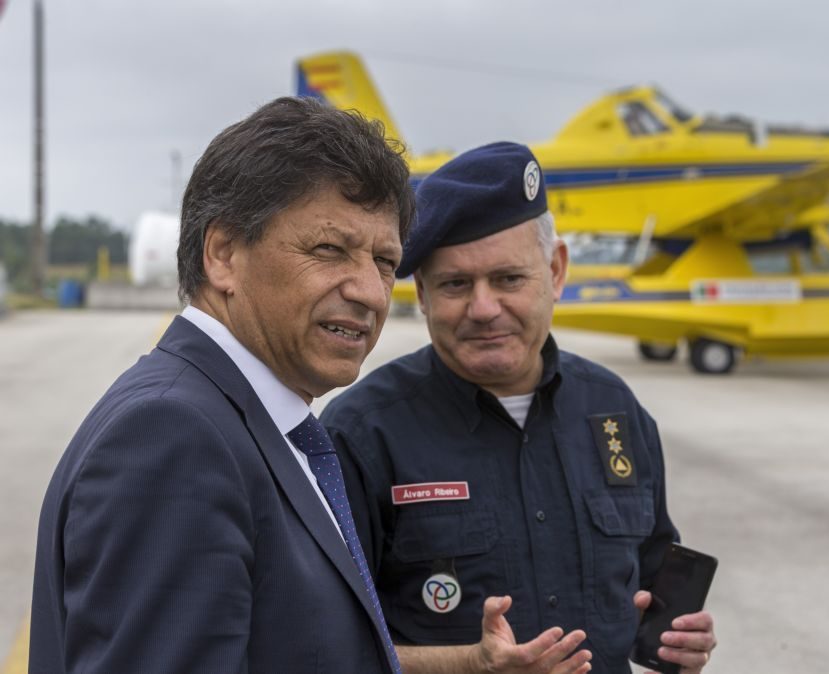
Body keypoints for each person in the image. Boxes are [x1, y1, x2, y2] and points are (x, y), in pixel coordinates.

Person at [29, 97, 415, 673]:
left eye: (385, 262)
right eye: (330, 249)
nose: (370, 293)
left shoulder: (250, 422)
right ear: (223, 254)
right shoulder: (175, 437)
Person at [320, 141, 717, 673]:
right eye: (456, 284)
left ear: (555, 271)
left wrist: (677, 641)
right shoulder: (361, 435)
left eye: (508, 279)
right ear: (424, 296)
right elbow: (319, 647)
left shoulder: (615, 411)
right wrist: (466, 665)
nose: (484, 309)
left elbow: (652, 578)